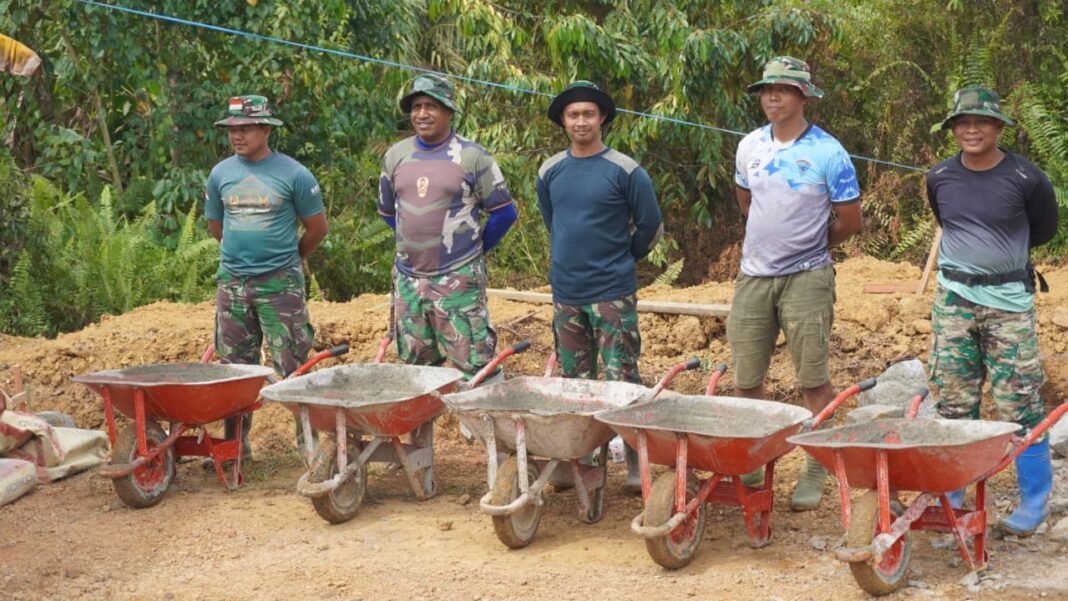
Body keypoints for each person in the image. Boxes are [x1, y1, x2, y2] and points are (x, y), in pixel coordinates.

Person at [729, 57, 863, 510]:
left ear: (803, 96)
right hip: (753, 276)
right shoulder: (749, 146)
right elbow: (746, 201)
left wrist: (808, 247)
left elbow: (849, 220)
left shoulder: (829, 152)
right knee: (747, 378)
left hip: (808, 276)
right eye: (767, 90)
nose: (772, 98)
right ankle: (752, 457)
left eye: (783, 90)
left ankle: (815, 463)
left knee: (812, 378)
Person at [926, 86, 1059, 535]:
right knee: (953, 401)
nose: (971, 129)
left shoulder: (1026, 178)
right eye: (962, 122)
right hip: (953, 304)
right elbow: (946, 223)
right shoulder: (940, 176)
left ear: (999, 126)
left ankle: (1034, 499)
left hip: (1008, 306)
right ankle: (952, 495)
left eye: (981, 121)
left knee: (1019, 401)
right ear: (952, 129)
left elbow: (1043, 229)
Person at [536, 81, 663, 492]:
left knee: (621, 378)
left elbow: (651, 226)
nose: (581, 121)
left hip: (612, 291)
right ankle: (581, 459)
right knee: (575, 383)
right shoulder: (550, 170)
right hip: (567, 293)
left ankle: (634, 461)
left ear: (602, 118)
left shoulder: (626, 171)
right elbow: (552, 221)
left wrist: (623, 256)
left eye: (588, 114)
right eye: (573, 115)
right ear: (563, 122)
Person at [205, 95, 328, 456]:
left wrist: (290, 260)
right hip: (233, 286)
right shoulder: (221, 175)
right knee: (235, 370)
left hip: (280, 286)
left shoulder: (294, 175)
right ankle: (235, 446)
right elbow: (217, 226)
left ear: (265, 129)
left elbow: (317, 228)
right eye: (232, 129)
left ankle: (309, 445)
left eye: (245, 128)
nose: (237, 136)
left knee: (292, 363)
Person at [378, 74, 517, 382]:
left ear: (450, 111)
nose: (422, 113)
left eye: (431, 106)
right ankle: (421, 427)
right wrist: (415, 244)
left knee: (475, 364)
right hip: (408, 280)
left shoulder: (472, 157)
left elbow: (504, 214)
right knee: (416, 367)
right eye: (416, 106)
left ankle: (483, 428)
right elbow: (390, 213)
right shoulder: (395, 156)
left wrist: (472, 251)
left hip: (457, 278)